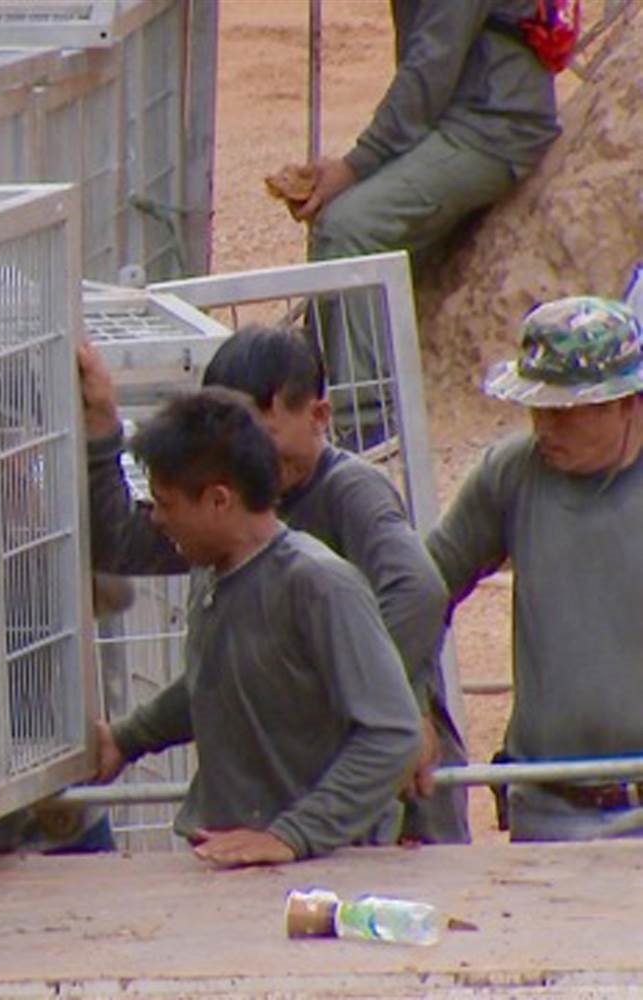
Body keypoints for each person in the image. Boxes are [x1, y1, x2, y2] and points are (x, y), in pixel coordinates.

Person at [82, 387, 423, 867]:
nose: (156, 519)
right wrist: (128, 738)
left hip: (324, 871)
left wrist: (293, 835)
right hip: (233, 858)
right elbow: (217, 680)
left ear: (219, 500)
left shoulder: (319, 585)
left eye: (165, 503)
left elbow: (393, 734)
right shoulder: (213, 572)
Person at [293, 0, 560, 442]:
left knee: (351, 227)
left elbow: (429, 69)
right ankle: (305, 393)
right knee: (338, 220)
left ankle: (366, 424)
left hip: (492, 127)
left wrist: (355, 166)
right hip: (457, 117)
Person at [427, 296, 643, 842]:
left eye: (566, 411)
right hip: (547, 809)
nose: (545, 427)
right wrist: (408, 709)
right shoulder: (511, 476)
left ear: (627, 404)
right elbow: (418, 592)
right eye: (536, 407)